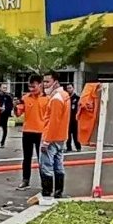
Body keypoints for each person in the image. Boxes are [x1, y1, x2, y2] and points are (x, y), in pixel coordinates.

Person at [40, 70, 71, 198]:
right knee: (58, 165)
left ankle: (47, 192)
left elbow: (53, 121)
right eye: (44, 81)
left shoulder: (56, 98)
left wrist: (46, 141)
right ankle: (58, 191)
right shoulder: (64, 95)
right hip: (61, 137)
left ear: (55, 82)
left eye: (48, 82)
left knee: (46, 166)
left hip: (52, 138)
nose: (45, 84)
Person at [15, 75, 49, 190]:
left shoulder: (47, 99)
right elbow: (18, 114)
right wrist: (16, 106)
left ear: (40, 85)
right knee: (27, 158)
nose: (31, 89)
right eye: (29, 87)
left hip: (41, 132)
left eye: (33, 86)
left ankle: (45, 182)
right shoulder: (25, 98)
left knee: (42, 159)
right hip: (27, 131)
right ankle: (25, 180)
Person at [0, 83, 14, 148]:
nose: (4, 89)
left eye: (5, 88)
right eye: (3, 87)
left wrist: (7, 110)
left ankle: (2, 142)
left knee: (5, 130)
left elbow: (11, 106)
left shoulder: (8, 97)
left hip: (5, 116)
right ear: (0, 88)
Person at [65, 83, 82, 152]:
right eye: (68, 88)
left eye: (70, 88)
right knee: (68, 135)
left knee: (75, 135)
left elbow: (80, 108)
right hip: (67, 119)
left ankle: (78, 147)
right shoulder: (66, 98)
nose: (69, 89)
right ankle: (68, 147)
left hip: (75, 120)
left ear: (73, 88)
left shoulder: (77, 98)